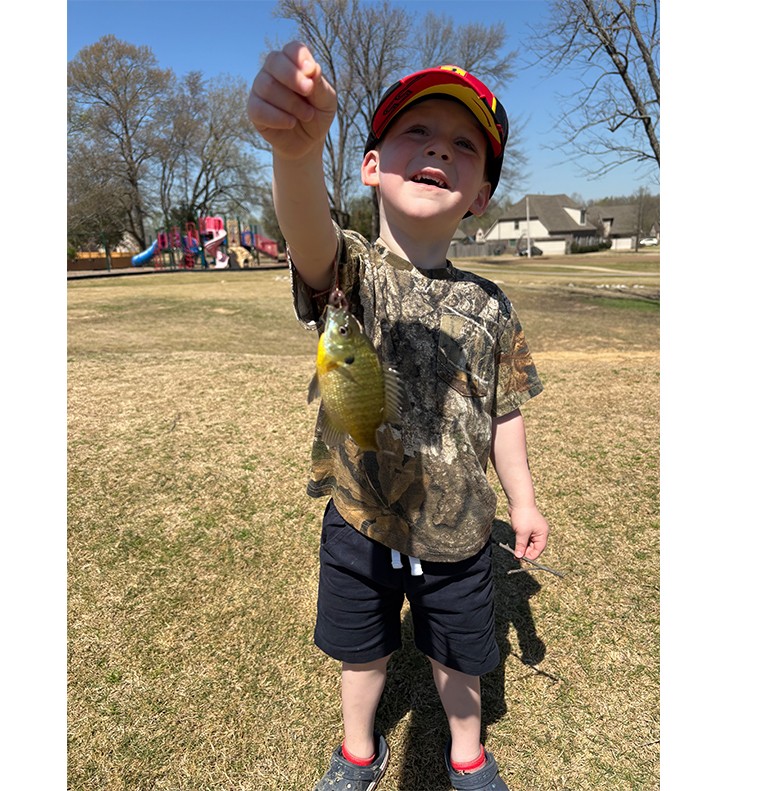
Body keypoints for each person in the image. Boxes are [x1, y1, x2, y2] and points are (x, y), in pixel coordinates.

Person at [248, 41, 550, 791]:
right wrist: (296, 155)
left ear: (479, 193)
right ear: (372, 165)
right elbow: (309, 239)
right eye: (417, 134)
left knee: (460, 655)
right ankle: (357, 749)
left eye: (462, 146)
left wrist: (523, 497)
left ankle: (467, 753)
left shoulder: (490, 306)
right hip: (360, 518)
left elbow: (501, 411)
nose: (438, 152)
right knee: (363, 650)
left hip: (459, 530)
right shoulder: (352, 273)